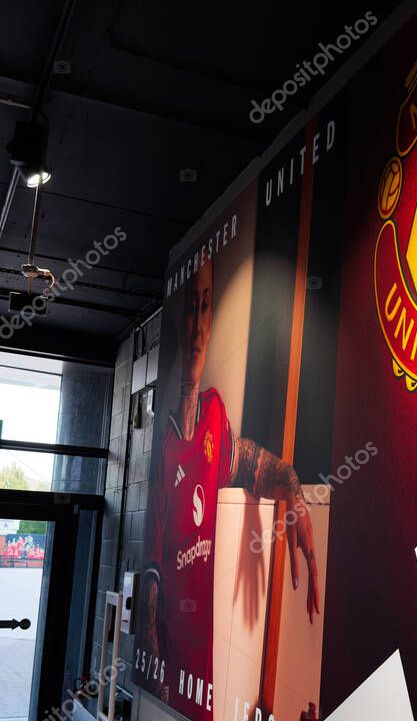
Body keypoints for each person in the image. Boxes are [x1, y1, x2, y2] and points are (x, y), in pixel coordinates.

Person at [135, 261, 320, 717]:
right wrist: (156, 684)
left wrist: (293, 495)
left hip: (205, 691)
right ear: (180, 322)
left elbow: (267, 468)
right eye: (190, 312)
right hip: (167, 695)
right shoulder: (165, 446)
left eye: (205, 308)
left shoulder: (215, 417)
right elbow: (149, 593)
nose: (198, 325)